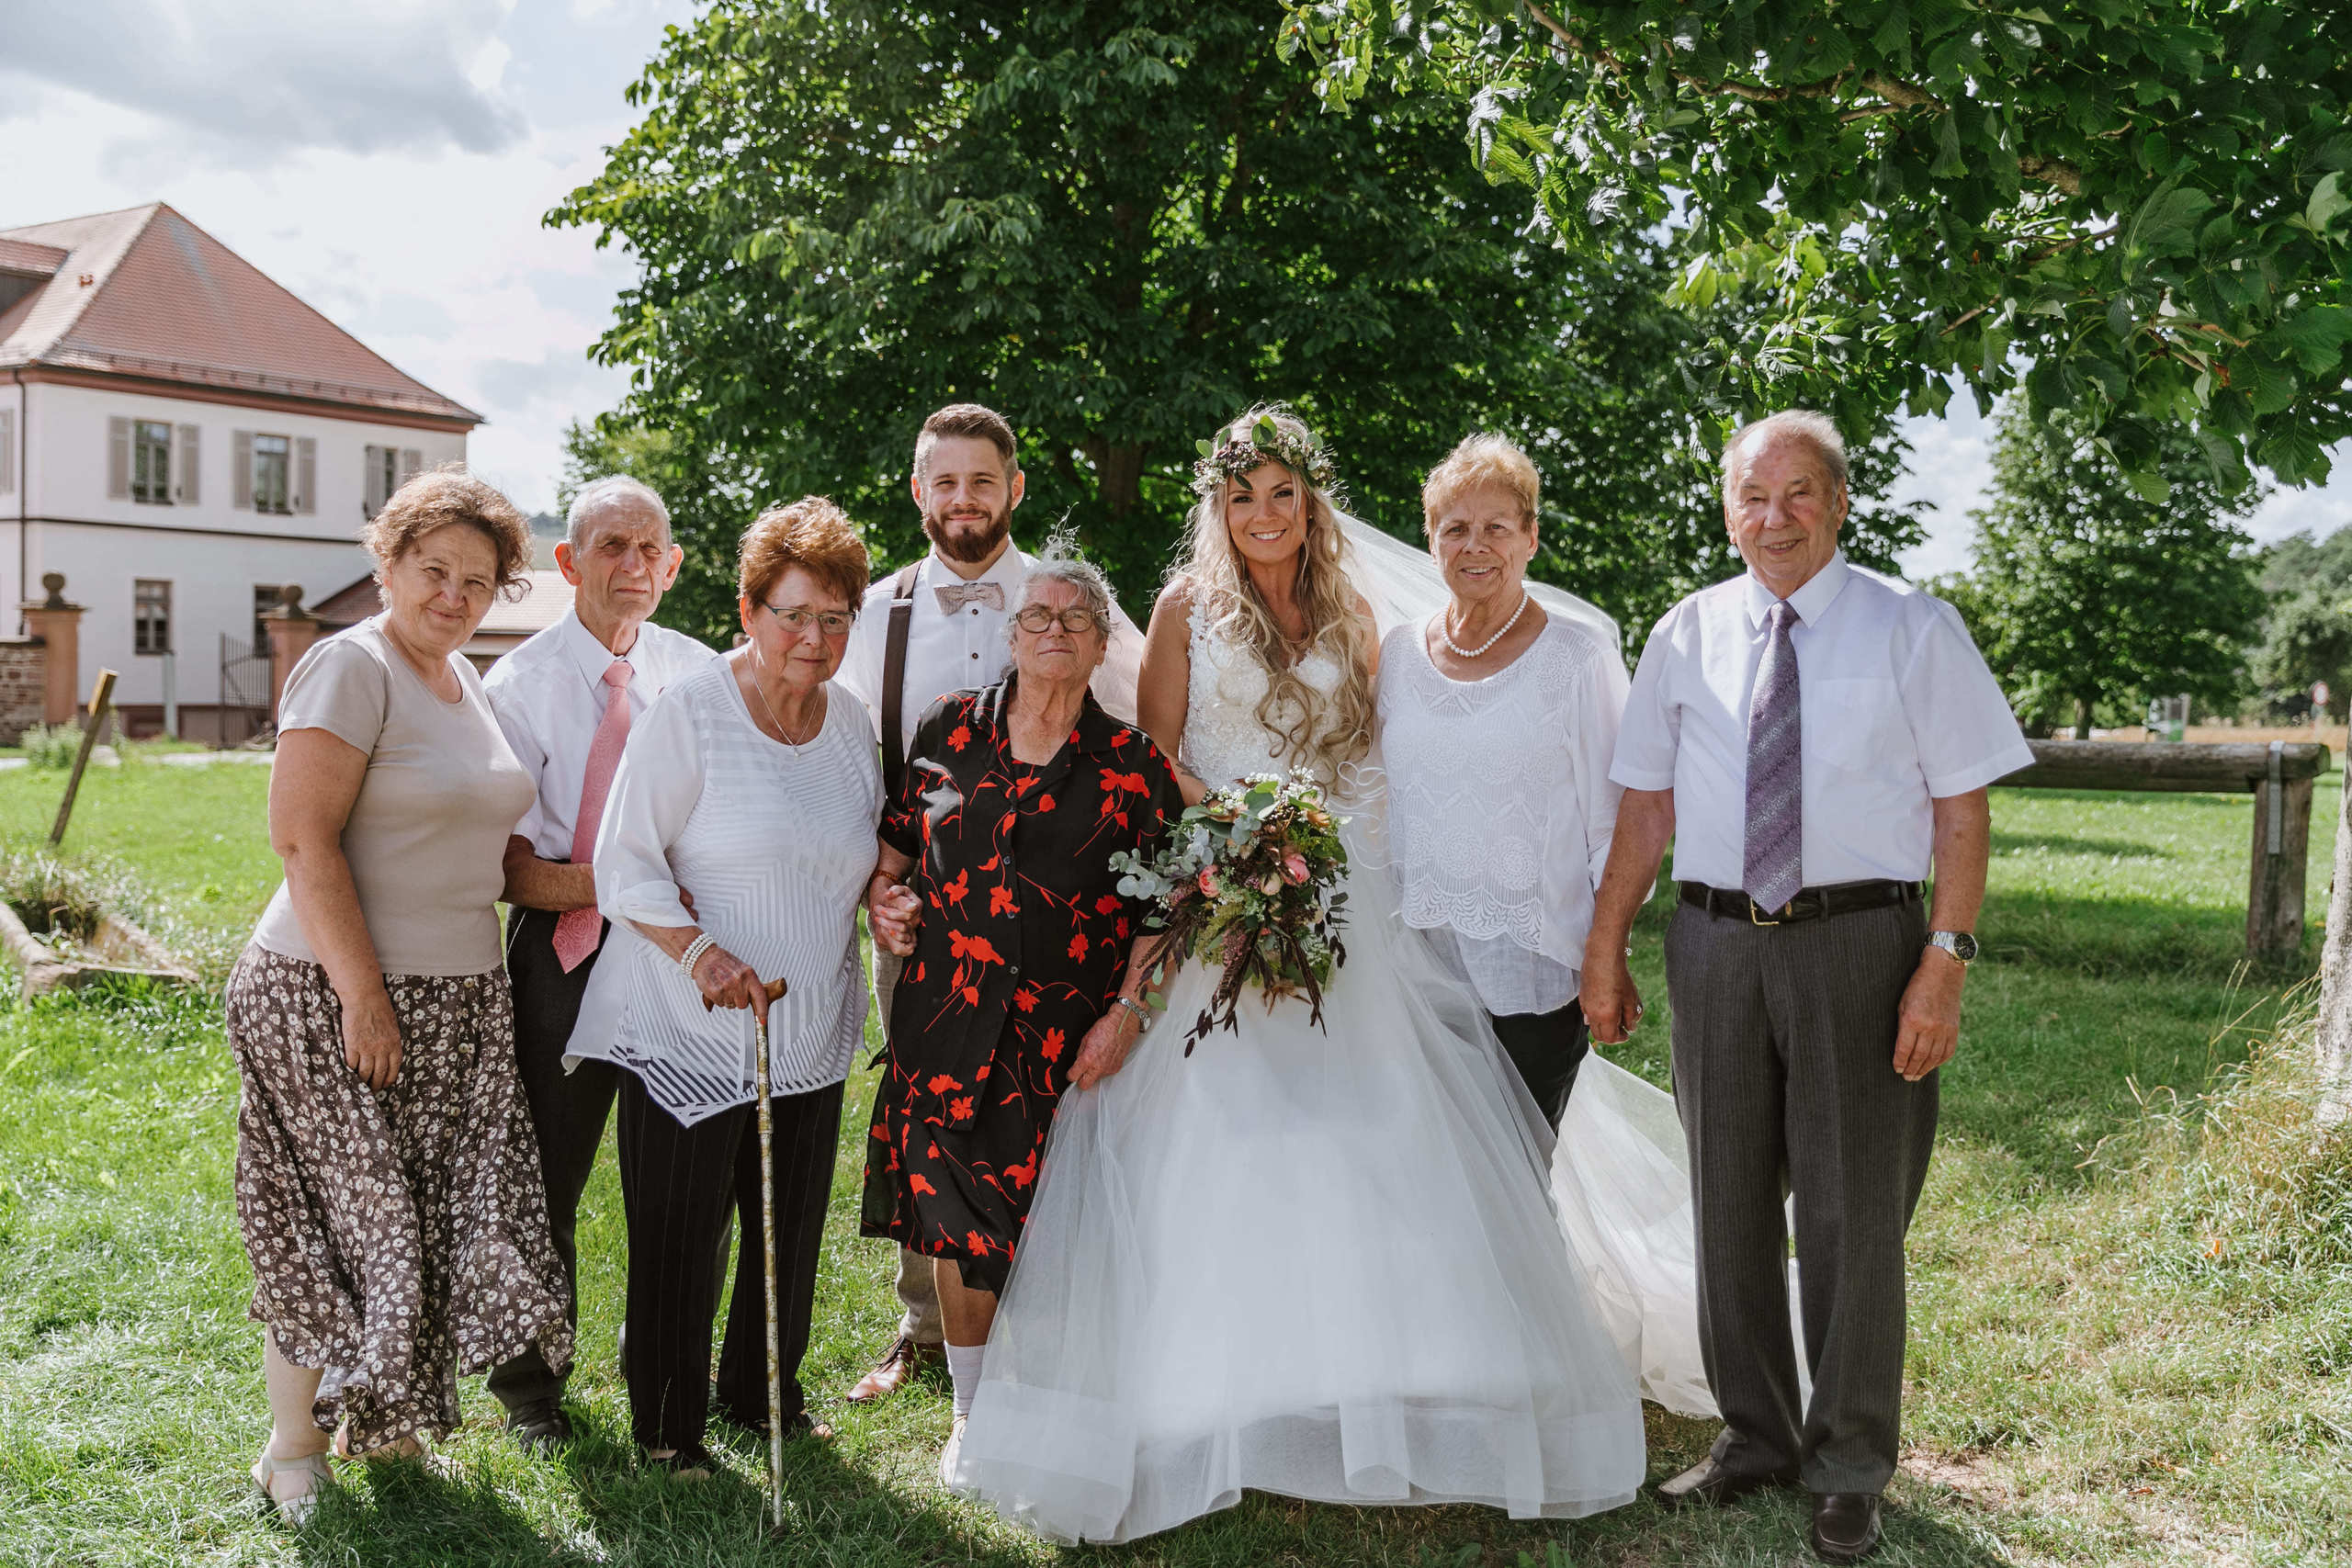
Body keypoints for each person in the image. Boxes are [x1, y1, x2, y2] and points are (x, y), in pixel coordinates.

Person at [950, 408, 1647, 1543]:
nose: (1263, 516)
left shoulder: (1357, 609)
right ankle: (1214, 1385)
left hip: (1348, 895)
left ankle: (1386, 1368)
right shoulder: (1183, 608)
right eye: (1242, 497)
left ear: (1311, 499)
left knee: (1368, 1133)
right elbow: (1162, 755)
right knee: (1222, 1135)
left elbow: (1375, 745)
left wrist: (1324, 862)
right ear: (1216, 508)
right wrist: (1237, 857)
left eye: (1281, 493)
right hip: (1224, 897)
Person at [1580, 411, 2031, 1564]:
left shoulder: (1911, 628)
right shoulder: (1684, 633)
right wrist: (1606, 944)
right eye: (1750, 497)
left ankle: (1847, 1464)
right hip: (1714, 942)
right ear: (1726, 508)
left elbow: (1962, 810)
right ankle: (1754, 1437)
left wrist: (1945, 959)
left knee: (1849, 1213)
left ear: (1837, 502)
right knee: (1723, 1198)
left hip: (1857, 944)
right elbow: (1645, 807)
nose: (1771, 519)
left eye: (1796, 495)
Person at [229, 469, 571, 1524]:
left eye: (479, 580)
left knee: (420, 1217)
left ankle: (385, 1422)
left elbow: (500, 867)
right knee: (344, 1219)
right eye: (435, 572)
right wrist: (363, 999)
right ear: (388, 564)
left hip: (459, 1002)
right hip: (328, 992)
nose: (456, 596)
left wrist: (654, 883)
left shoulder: (466, 683)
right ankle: (292, 1448)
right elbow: (302, 839)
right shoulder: (349, 666)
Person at [564, 497, 888, 1474]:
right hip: (687, 1022)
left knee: (785, 1231)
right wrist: (701, 953)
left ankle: (761, 1392)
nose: (813, 638)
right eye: (793, 614)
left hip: (810, 1020)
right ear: (747, 612)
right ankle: (668, 1425)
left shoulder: (850, 723)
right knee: (679, 1227)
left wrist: (889, 896)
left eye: (835, 618)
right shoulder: (691, 714)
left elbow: (854, 853)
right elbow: (625, 866)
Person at [832, 401, 1140, 1404]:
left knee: (1044, 1127)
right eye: (943, 482)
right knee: (934, 1126)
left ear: (1014, 490)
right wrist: (881, 893)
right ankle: (926, 1327)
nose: (962, 500)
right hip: (926, 925)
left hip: (1061, 931)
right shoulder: (871, 616)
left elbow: (1139, 744)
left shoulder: (1078, 604)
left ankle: (1045, 1314)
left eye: (982, 481)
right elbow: (857, 770)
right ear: (917, 493)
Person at [857, 537, 1184, 1482]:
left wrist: (1125, 1012)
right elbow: (896, 854)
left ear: (1097, 646)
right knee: (956, 1215)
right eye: (1036, 616)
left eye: (1074, 620)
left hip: (1061, 1033)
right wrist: (885, 901)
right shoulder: (946, 729)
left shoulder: (1127, 764)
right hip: (944, 1016)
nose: (1053, 631)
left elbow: (1163, 911)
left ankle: (1041, 1392)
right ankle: (971, 1408)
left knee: (1037, 1218)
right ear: (1011, 634)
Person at [481, 475, 714, 1452]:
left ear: (672, 565)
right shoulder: (515, 688)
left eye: (649, 548)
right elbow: (514, 872)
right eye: (610, 546)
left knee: (676, 1177)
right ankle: (533, 1390)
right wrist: (636, 886)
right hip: (564, 960)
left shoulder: (699, 672)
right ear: (568, 563)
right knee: (544, 1178)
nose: (633, 566)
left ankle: (660, 1373)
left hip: (679, 959)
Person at [1377, 433, 1628, 1126]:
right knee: (1424, 1183)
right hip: (1416, 978)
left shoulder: (1578, 657)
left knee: (1512, 1188)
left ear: (1530, 538)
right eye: (1455, 528)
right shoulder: (1398, 655)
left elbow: (1619, 824)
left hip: (1534, 979)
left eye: (1496, 528)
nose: (1475, 546)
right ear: (1431, 541)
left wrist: (1607, 956)